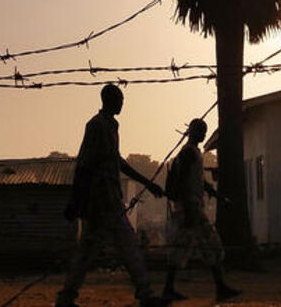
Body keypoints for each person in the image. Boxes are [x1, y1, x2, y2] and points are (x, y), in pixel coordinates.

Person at [55, 83, 169, 307]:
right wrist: (75, 201)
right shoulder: (96, 126)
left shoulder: (110, 126)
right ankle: (145, 295)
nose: (122, 104)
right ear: (109, 100)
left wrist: (148, 182)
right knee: (128, 245)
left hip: (105, 200)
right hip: (101, 201)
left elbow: (118, 161)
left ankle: (66, 298)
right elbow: (84, 165)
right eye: (120, 100)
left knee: (88, 251)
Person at [163, 119, 240, 303]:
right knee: (202, 246)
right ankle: (218, 287)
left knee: (203, 246)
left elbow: (196, 180)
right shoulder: (189, 153)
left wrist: (214, 193)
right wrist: (188, 209)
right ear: (192, 131)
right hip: (189, 208)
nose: (203, 135)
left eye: (204, 131)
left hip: (192, 207)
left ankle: (218, 286)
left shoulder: (192, 152)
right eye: (200, 131)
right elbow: (182, 181)